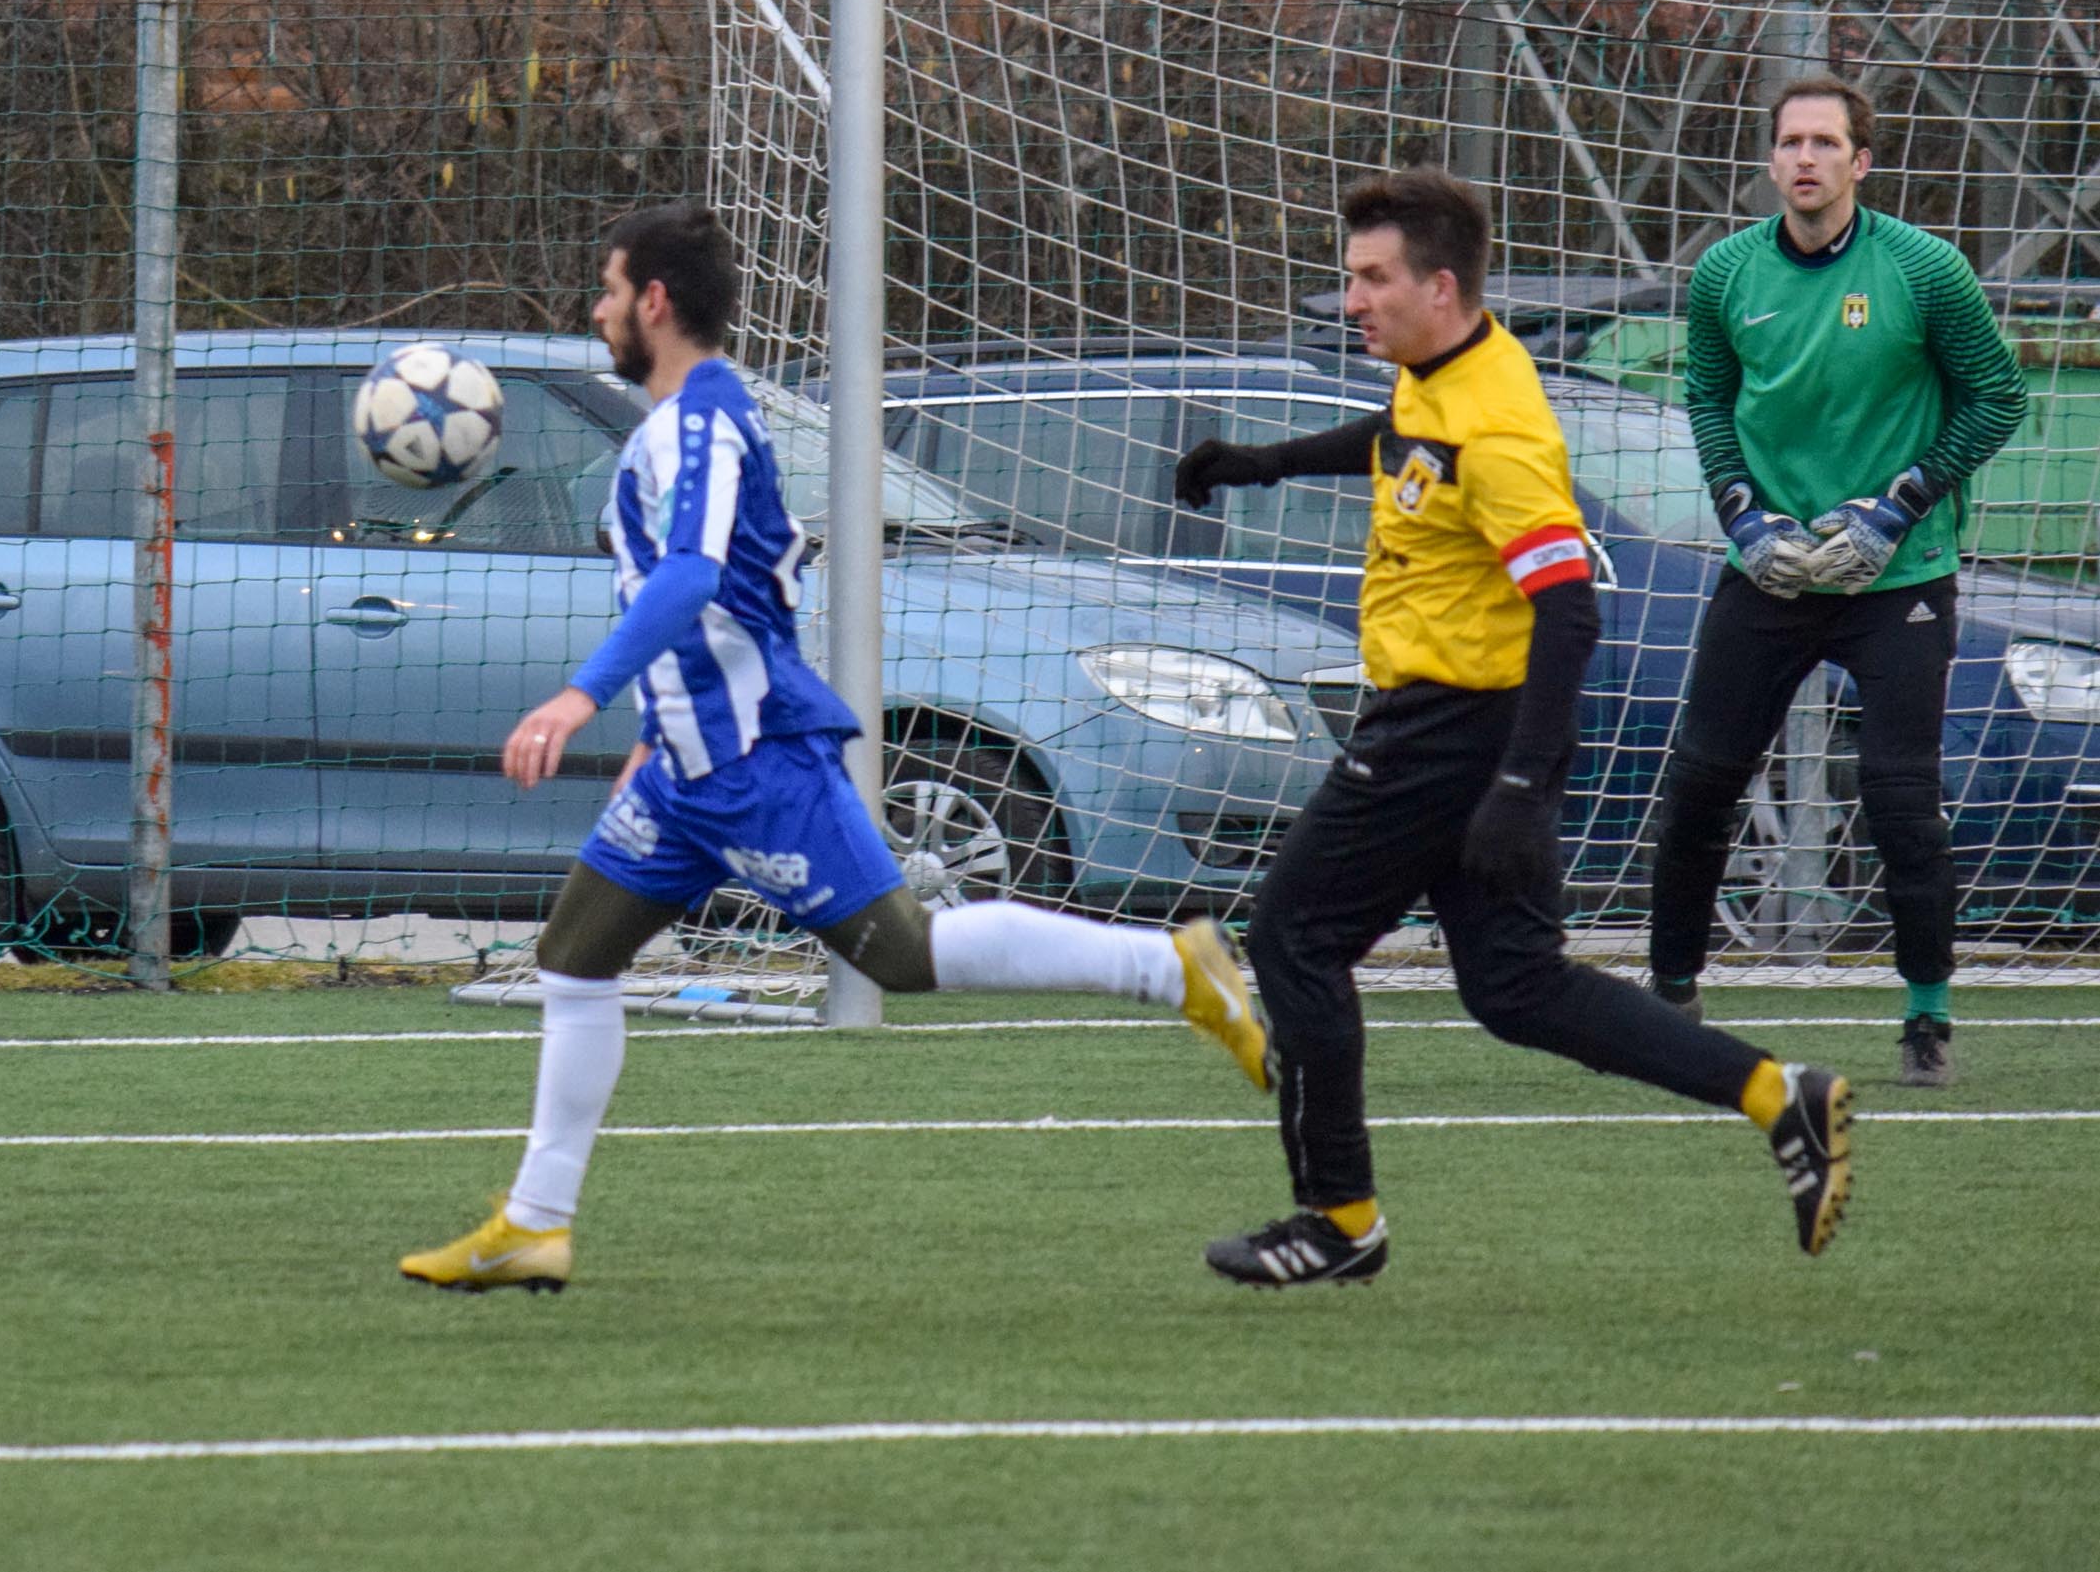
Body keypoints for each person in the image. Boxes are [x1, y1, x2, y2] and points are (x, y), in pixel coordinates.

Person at [397, 201, 1276, 1293]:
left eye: (609, 291)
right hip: (683, 769)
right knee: (575, 961)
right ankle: (533, 1224)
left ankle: (1171, 969)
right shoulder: (688, 420)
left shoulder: (699, 425)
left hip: (759, 762)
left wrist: (579, 699)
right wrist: (649, 736)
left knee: (901, 952)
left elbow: (691, 578)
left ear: (653, 303)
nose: (598, 310)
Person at [1169, 166, 1850, 1288]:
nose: (1352, 300)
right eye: (1350, 277)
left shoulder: (1496, 425)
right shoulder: (1445, 372)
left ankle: (1338, 1220)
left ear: (1439, 287)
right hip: (1466, 730)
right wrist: (1266, 463)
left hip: (1447, 731)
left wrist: (1522, 788)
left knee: (1293, 939)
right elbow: (1404, 439)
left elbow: (1569, 609)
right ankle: (1780, 1094)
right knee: (1515, 988)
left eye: (1372, 279)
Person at [1646, 77, 2026, 1087]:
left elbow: (1998, 397)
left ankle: (1926, 1018)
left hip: (1897, 576)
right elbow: (1707, 395)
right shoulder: (1724, 271)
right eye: (1790, 142)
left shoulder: (1923, 268)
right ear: (1771, 160)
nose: (1804, 158)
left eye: (1824, 142)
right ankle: (1670, 994)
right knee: (1700, 785)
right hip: (1770, 574)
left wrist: (1897, 506)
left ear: (1860, 161)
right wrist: (1742, 514)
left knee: (1901, 800)